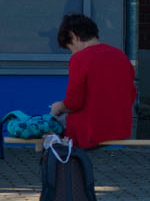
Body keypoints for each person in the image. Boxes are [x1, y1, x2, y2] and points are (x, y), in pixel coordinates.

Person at [48, 13, 134, 151]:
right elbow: (131, 94)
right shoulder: (121, 56)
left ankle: (60, 170)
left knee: (49, 126)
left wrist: (58, 107)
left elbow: (73, 103)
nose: (72, 53)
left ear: (74, 36)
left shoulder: (80, 59)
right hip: (120, 128)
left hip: (90, 131)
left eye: (71, 48)